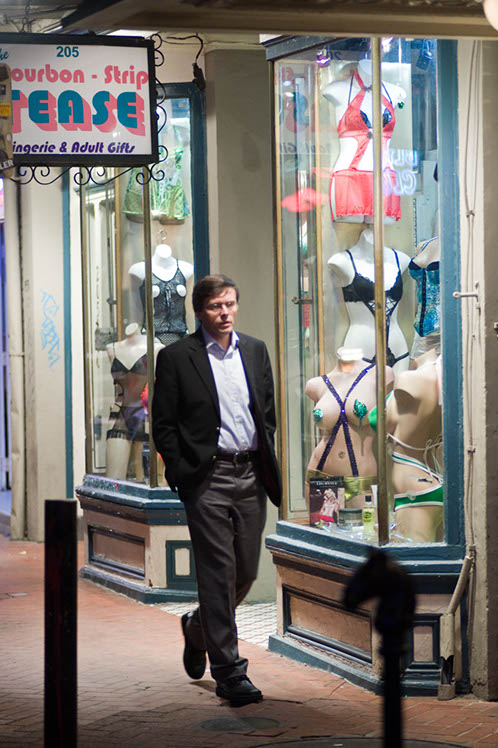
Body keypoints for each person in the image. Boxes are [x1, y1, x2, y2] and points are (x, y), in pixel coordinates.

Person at [152, 274, 282, 707]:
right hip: (207, 477)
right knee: (217, 573)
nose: (224, 313)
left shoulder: (255, 350)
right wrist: (181, 471)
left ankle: (197, 628)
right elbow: (164, 424)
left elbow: (266, 413)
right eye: (215, 306)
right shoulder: (177, 357)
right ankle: (229, 672)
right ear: (199, 311)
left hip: (250, 475)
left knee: (245, 571)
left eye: (229, 304)